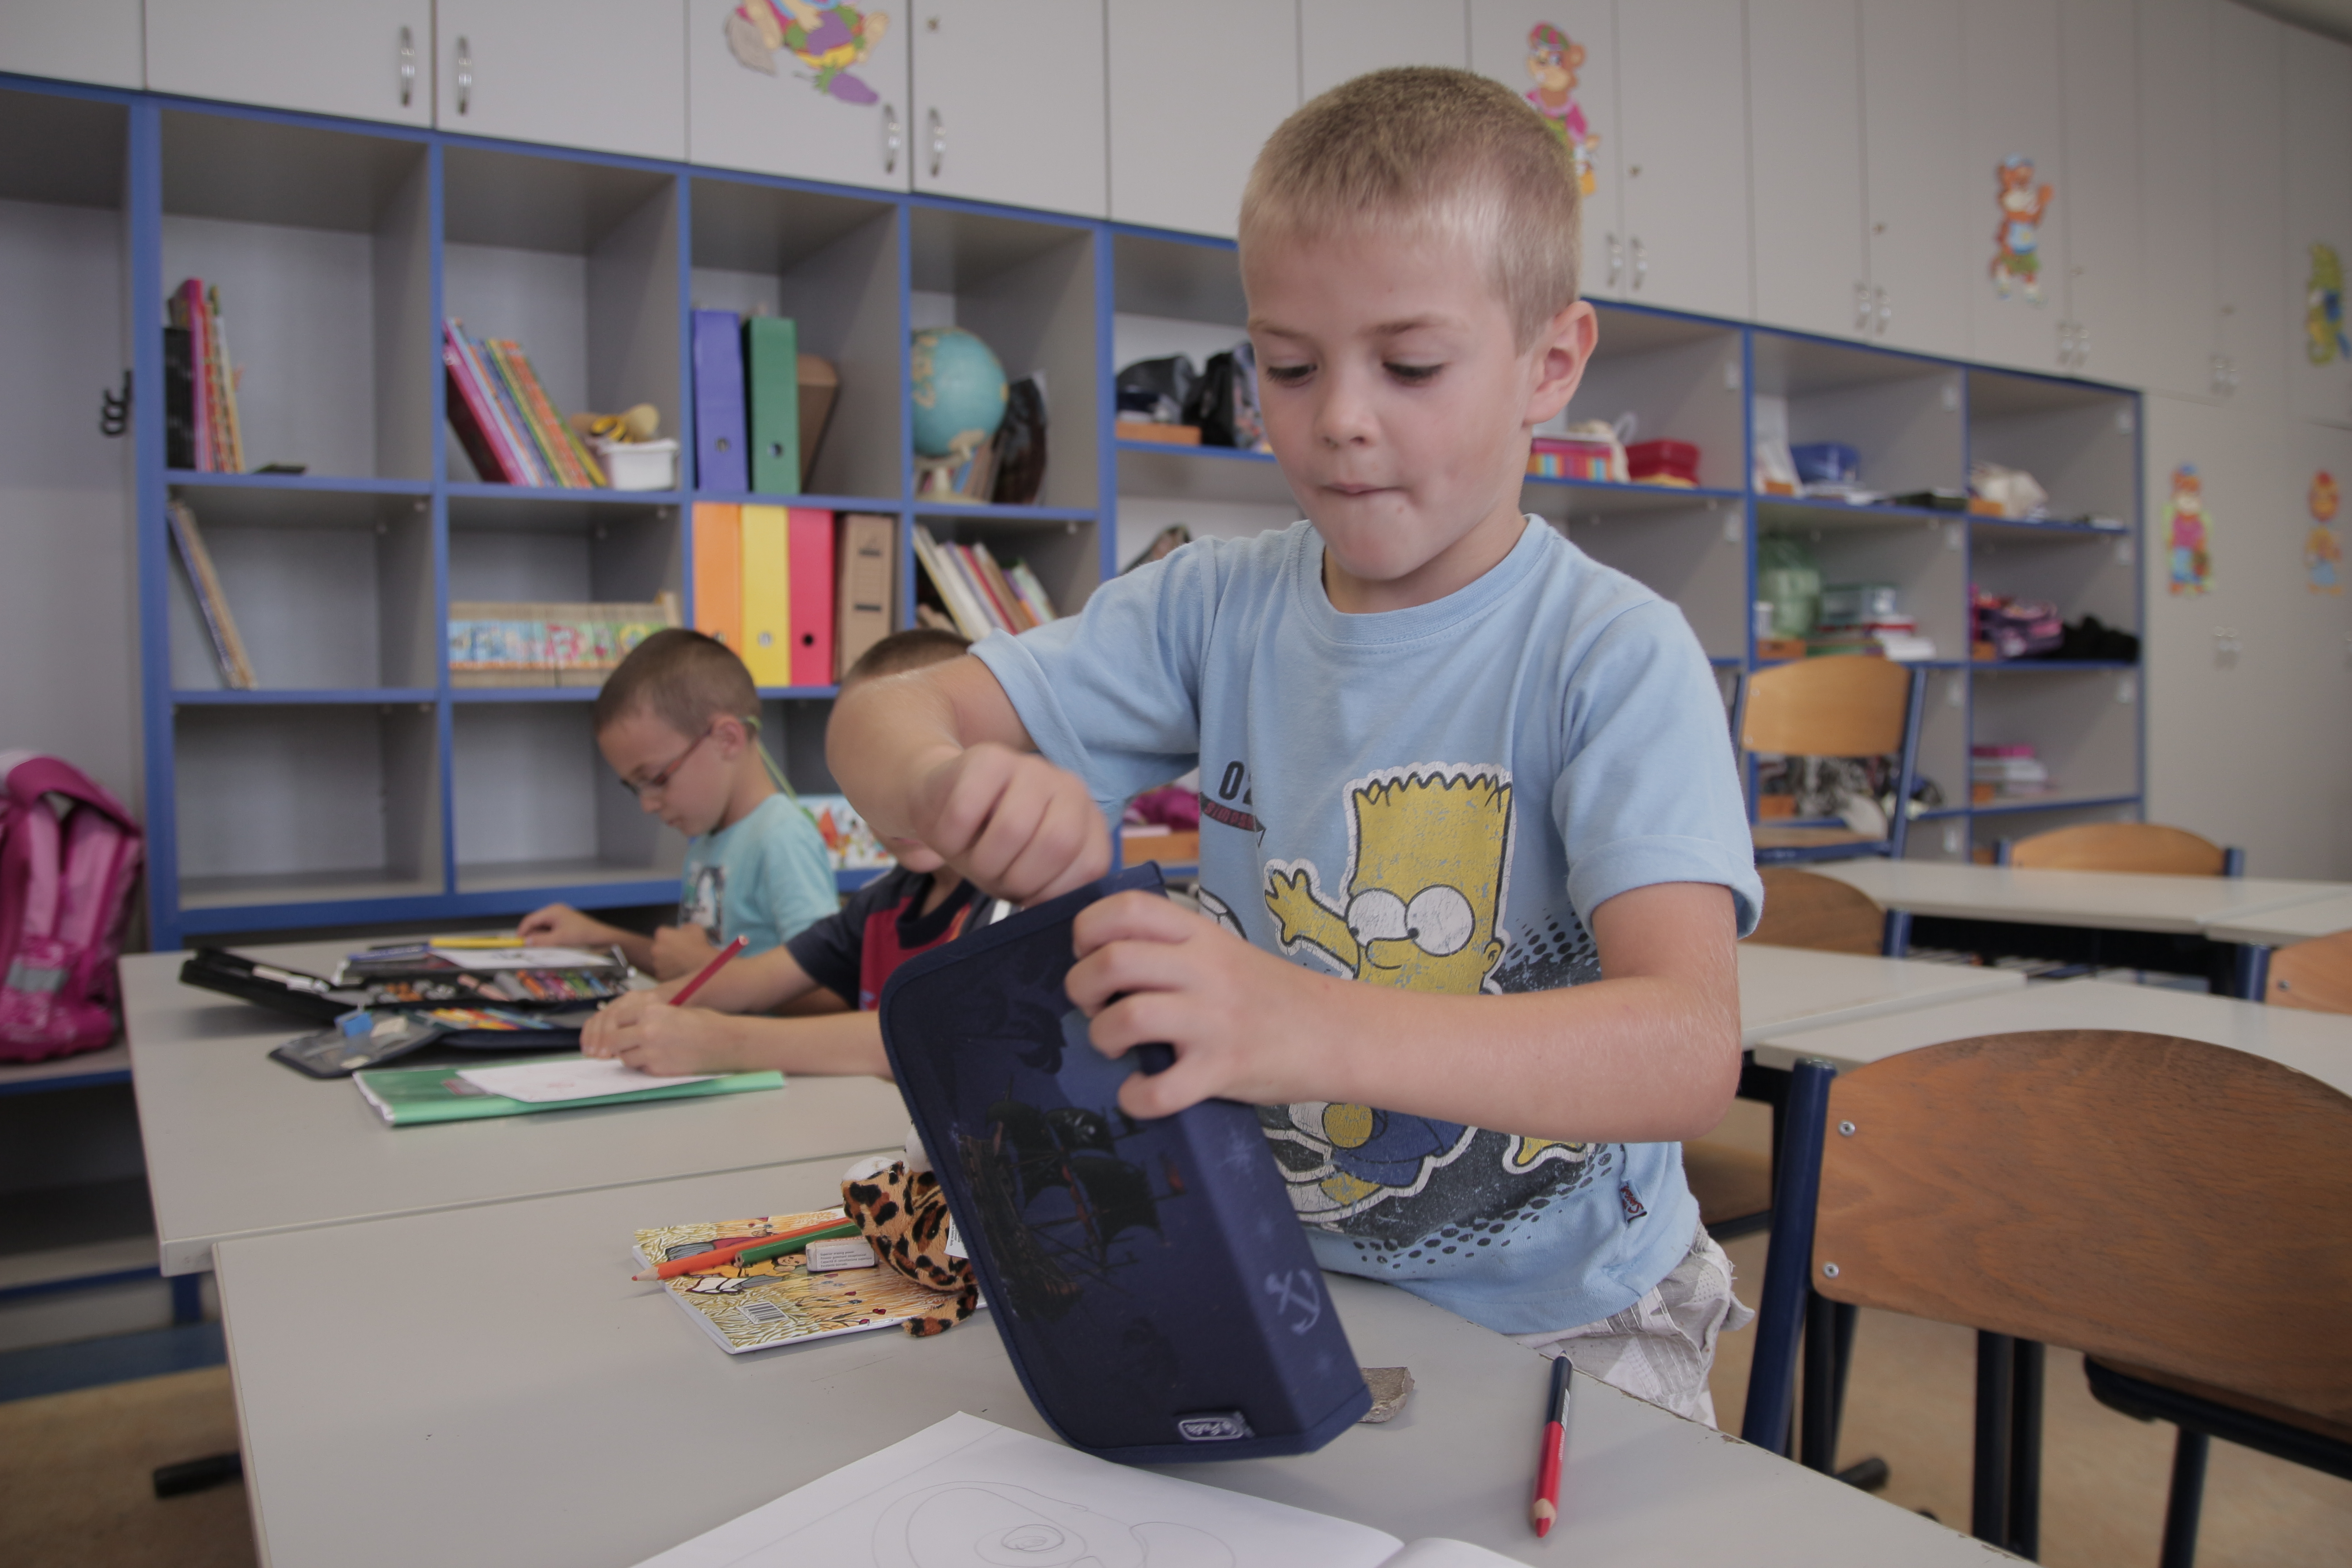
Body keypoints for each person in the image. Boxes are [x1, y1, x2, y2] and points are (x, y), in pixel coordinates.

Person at [826, 69, 1765, 1425]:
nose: (1338, 419)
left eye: (1411, 365)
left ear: (1550, 366)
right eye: (1287, 365)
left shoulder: (1610, 652)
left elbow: (1684, 1048)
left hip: (1567, 1319)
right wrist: (945, 780)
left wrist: (1301, 1025)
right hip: (1286, 1285)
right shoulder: (1217, 604)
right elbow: (876, 718)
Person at [579, 629, 981, 1077]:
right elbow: (762, 977)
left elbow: (928, 1031)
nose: (897, 801)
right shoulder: (881, 903)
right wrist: (653, 1001)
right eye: (871, 773)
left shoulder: (1009, 906)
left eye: (926, 766)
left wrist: (723, 1042)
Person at [519, 628, 837, 980]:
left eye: (656, 779)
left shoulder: (783, 837)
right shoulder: (707, 841)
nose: (647, 805)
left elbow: (829, 989)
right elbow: (684, 966)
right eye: (635, 788)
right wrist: (600, 936)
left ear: (727, 740)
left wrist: (708, 968)